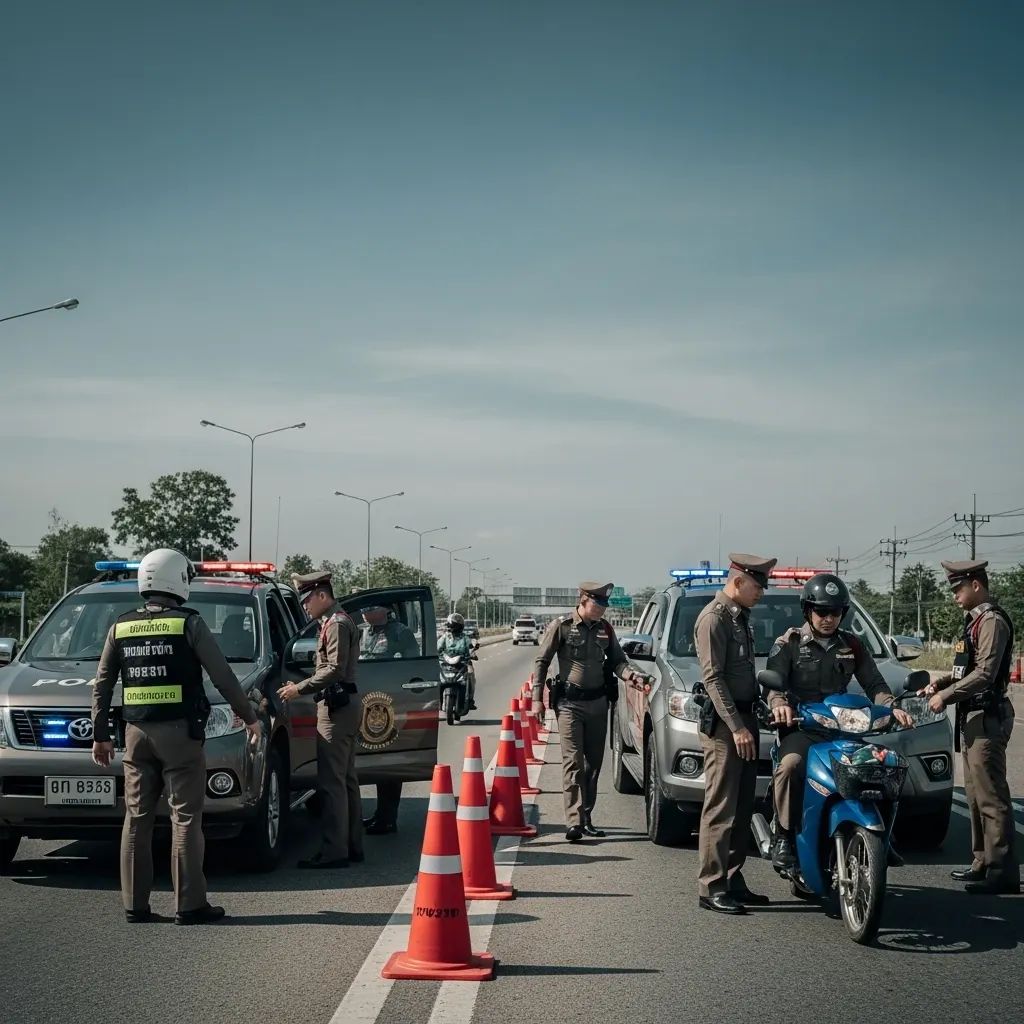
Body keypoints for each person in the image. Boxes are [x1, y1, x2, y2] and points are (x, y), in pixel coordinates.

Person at [90, 548, 261, 925]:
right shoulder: (189, 623)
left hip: (135, 734)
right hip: (180, 736)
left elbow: (102, 684)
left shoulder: (121, 626)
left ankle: (135, 905)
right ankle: (189, 904)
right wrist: (249, 717)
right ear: (178, 581)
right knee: (185, 818)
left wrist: (101, 735)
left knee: (136, 817)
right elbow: (223, 677)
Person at [765, 572, 913, 871]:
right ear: (808, 610)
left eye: (835, 612)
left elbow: (875, 684)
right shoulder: (789, 642)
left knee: (882, 766)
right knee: (791, 767)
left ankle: (884, 838)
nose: (828, 618)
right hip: (802, 727)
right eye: (821, 611)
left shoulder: (852, 645)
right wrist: (780, 705)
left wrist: (892, 708)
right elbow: (773, 686)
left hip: (842, 730)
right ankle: (783, 835)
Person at [919, 559, 1018, 894]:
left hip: (987, 715)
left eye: (958, 589)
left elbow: (986, 673)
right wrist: (940, 683)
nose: (954, 596)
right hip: (972, 715)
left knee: (991, 795)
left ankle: (1001, 870)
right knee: (975, 795)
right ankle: (982, 861)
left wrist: (945, 696)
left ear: (976, 585)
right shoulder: (973, 622)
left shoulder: (991, 621)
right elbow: (966, 670)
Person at [693, 553, 776, 915]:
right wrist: (738, 726)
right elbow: (713, 678)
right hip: (727, 728)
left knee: (743, 806)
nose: (761, 592)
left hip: (745, 719)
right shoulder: (714, 618)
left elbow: (745, 672)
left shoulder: (740, 617)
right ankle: (711, 885)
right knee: (721, 807)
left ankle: (733, 876)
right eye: (757, 586)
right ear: (738, 581)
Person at [534, 581, 648, 842]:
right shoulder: (561, 626)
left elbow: (618, 661)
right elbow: (542, 661)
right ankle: (573, 821)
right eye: (598, 604)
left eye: (605, 604)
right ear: (583, 600)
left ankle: (586, 818)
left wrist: (631, 675)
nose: (603, 609)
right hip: (569, 705)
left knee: (593, 766)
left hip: (598, 705)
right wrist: (536, 699)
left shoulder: (606, 629)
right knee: (572, 763)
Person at [278, 570, 363, 869]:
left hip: (337, 707)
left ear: (322, 595)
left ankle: (334, 850)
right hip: (342, 705)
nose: (305, 608)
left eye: (307, 601)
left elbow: (334, 670)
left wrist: (297, 688)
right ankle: (351, 845)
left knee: (331, 783)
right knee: (346, 779)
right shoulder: (332, 621)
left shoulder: (336, 623)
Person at [358, 603, 425, 837]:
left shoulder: (400, 632)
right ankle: (379, 814)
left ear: (384, 610)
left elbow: (413, 664)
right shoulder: (362, 632)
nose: (365, 613)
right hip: (364, 700)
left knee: (387, 762)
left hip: (390, 700)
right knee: (370, 760)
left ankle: (388, 817)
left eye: (370, 608)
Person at [437, 612, 478, 711]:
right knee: (437, 679)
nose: (451, 627)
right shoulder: (445, 637)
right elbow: (438, 647)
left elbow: (470, 647)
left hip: (463, 662)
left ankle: (470, 699)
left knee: (471, 674)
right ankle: (438, 702)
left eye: (454, 625)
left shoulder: (464, 637)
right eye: (451, 625)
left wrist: (472, 653)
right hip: (446, 662)